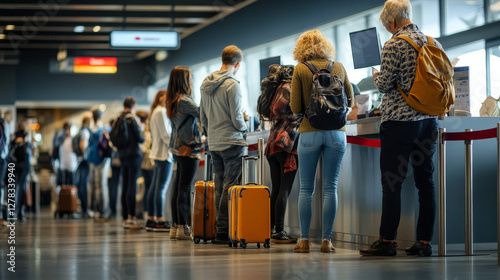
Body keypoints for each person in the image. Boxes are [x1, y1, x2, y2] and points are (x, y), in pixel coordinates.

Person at [359, 0, 440, 257]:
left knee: (392, 184)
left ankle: (387, 241)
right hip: (428, 122)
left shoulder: (394, 44)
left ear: (392, 22)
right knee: (425, 183)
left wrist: (376, 77)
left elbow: (384, 85)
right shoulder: (432, 42)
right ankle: (424, 243)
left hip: (399, 123)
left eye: (386, 26)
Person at [290, 29, 354, 253]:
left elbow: (296, 107)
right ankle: (327, 240)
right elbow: (350, 100)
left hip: (309, 132)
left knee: (306, 189)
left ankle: (305, 240)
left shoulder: (300, 69)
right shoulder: (339, 67)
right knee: (330, 188)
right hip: (337, 132)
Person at [200, 45, 247, 244]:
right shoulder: (232, 85)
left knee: (219, 185)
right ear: (237, 64)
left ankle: (220, 229)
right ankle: (225, 229)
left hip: (214, 142)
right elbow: (237, 119)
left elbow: (202, 117)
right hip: (231, 141)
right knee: (230, 185)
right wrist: (244, 126)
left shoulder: (205, 84)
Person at [264, 65, 302, 243]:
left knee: (277, 188)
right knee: (284, 189)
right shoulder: (289, 88)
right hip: (285, 143)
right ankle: (279, 231)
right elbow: (291, 112)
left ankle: (271, 229)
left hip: (273, 142)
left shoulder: (275, 88)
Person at [167, 66, 202, 240]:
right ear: (185, 80)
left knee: (178, 185)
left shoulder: (173, 99)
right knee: (184, 187)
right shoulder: (186, 101)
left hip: (176, 147)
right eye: (190, 78)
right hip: (187, 147)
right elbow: (203, 114)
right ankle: (185, 226)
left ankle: (176, 225)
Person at [145, 90, 174, 232]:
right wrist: (177, 145)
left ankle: (151, 218)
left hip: (157, 153)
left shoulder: (155, 112)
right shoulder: (161, 112)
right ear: (160, 98)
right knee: (160, 188)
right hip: (164, 154)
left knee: (155, 187)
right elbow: (165, 135)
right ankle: (160, 219)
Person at [117, 97, 145, 230]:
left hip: (122, 156)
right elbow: (140, 138)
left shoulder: (119, 118)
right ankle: (132, 217)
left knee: (125, 184)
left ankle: (124, 217)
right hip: (134, 155)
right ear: (133, 105)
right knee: (131, 185)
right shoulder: (132, 119)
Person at [87, 107, 111, 222]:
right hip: (103, 160)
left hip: (93, 159)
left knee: (94, 186)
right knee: (102, 186)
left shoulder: (91, 131)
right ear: (101, 117)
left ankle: (95, 210)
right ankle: (104, 211)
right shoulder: (105, 129)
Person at [9, 123, 31, 222]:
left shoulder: (14, 139)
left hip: (14, 165)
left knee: (12, 188)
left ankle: (12, 213)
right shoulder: (26, 138)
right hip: (23, 165)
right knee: (21, 188)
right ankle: (19, 212)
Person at [138, 111, 154, 220]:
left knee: (147, 188)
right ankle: (150, 211)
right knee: (150, 188)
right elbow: (145, 149)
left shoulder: (143, 134)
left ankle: (146, 211)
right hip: (150, 164)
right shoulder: (149, 135)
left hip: (143, 164)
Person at [75, 116, 91, 218]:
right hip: (85, 161)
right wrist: (87, 155)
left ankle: (83, 208)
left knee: (81, 183)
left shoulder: (80, 131)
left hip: (80, 160)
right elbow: (83, 144)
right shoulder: (85, 132)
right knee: (84, 185)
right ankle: (85, 209)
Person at [107, 119, 121, 218]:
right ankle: (116, 209)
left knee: (113, 186)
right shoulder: (118, 133)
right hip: (119, 162)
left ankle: (113, 209)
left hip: (112, 163)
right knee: (117, 186)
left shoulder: (110, 134)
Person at [0, 109, 10, 222]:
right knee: (1, 185)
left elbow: (5, 141)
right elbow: (6, 142)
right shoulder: (4, 124)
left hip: (2, 157)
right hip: (2, 157)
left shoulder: (3, 124)